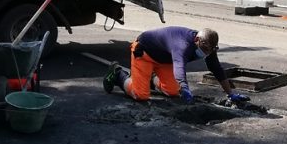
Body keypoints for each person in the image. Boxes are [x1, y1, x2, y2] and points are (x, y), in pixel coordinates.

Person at [102, 26, 250, 104]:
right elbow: (179, 68)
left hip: (165, 60)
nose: (205, 53)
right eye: (204, 49)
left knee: (172, 92)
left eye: (209, 50)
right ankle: (118, 74)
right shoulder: (183, 45)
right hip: (145, 53)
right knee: (141, 95)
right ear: (197, 39)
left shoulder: (209, 47)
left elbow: (216, 69)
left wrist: (230, 94)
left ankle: (149, 77)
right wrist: (185, 87)